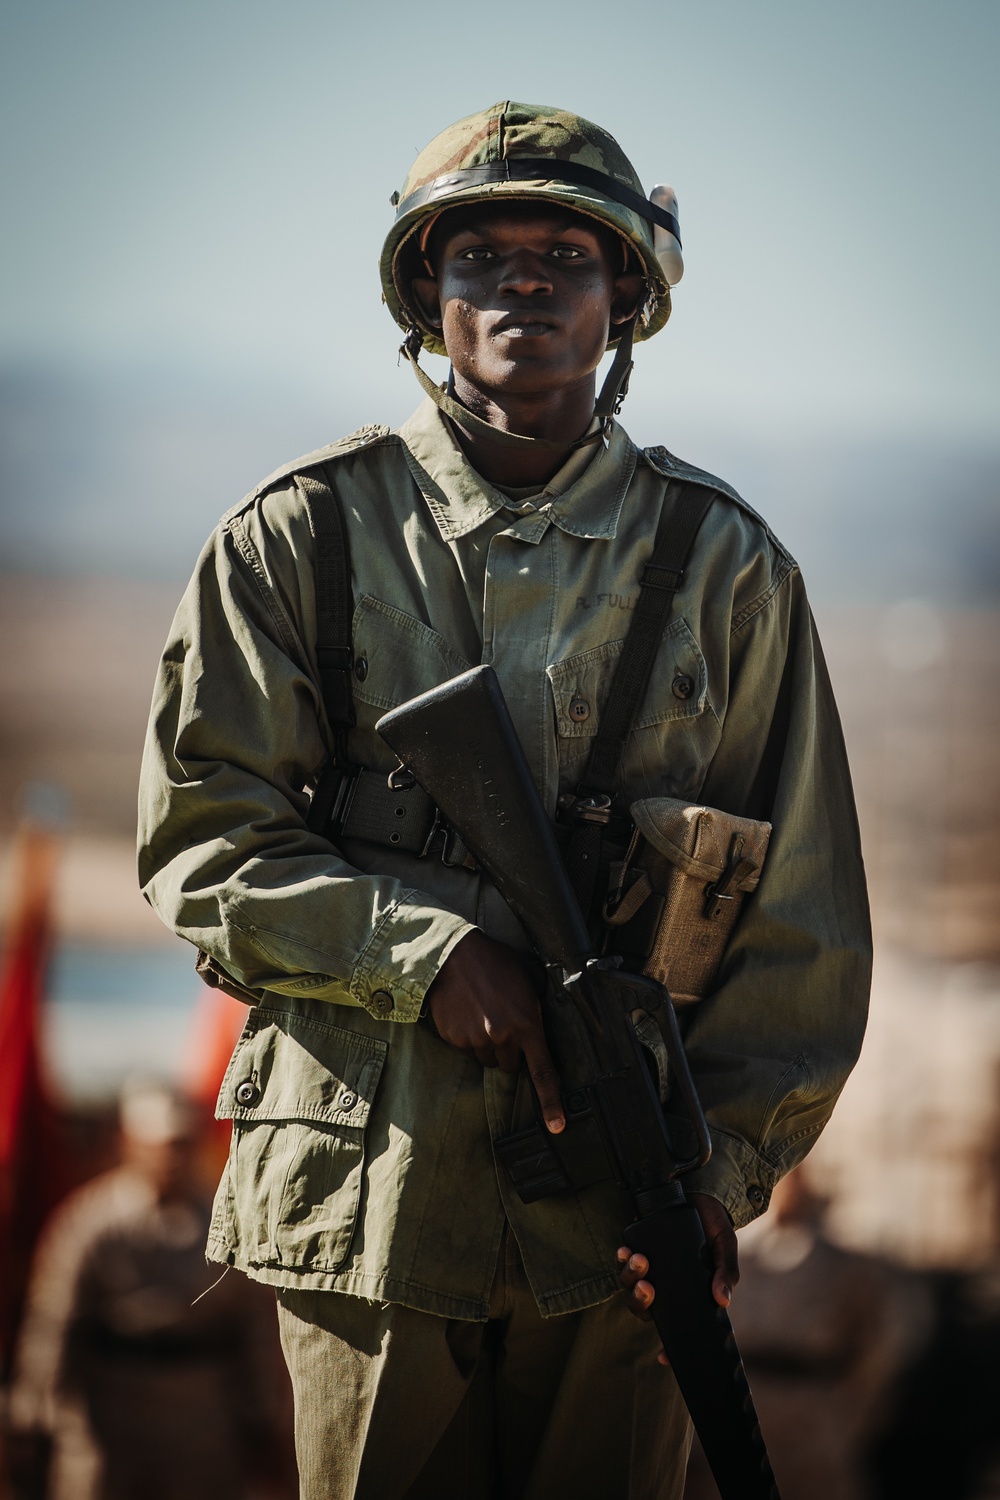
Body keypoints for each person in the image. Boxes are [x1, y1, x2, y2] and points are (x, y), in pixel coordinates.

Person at [137, 101, 872, 1499]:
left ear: (627, 301)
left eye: (568, 254)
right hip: (373, 1196)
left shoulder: (727, 571)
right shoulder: (300, 537)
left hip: (620, 1224)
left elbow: (801, 919)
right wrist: (426, 955)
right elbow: (201, 840)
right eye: (480, 252)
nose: (524, 280)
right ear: (428, 292)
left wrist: (719, 1183)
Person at [7, 1081, 294, 1500]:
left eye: (179, 1145)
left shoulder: (224, 1224)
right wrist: (31, 1413)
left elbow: (253, 1328)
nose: (170, 1159)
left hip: (200, 1422)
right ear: (130, 1144)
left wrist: (264, 1417)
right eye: (158, 1146)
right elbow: (53, 1322)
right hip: (109, 1416)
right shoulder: (89, 1224)